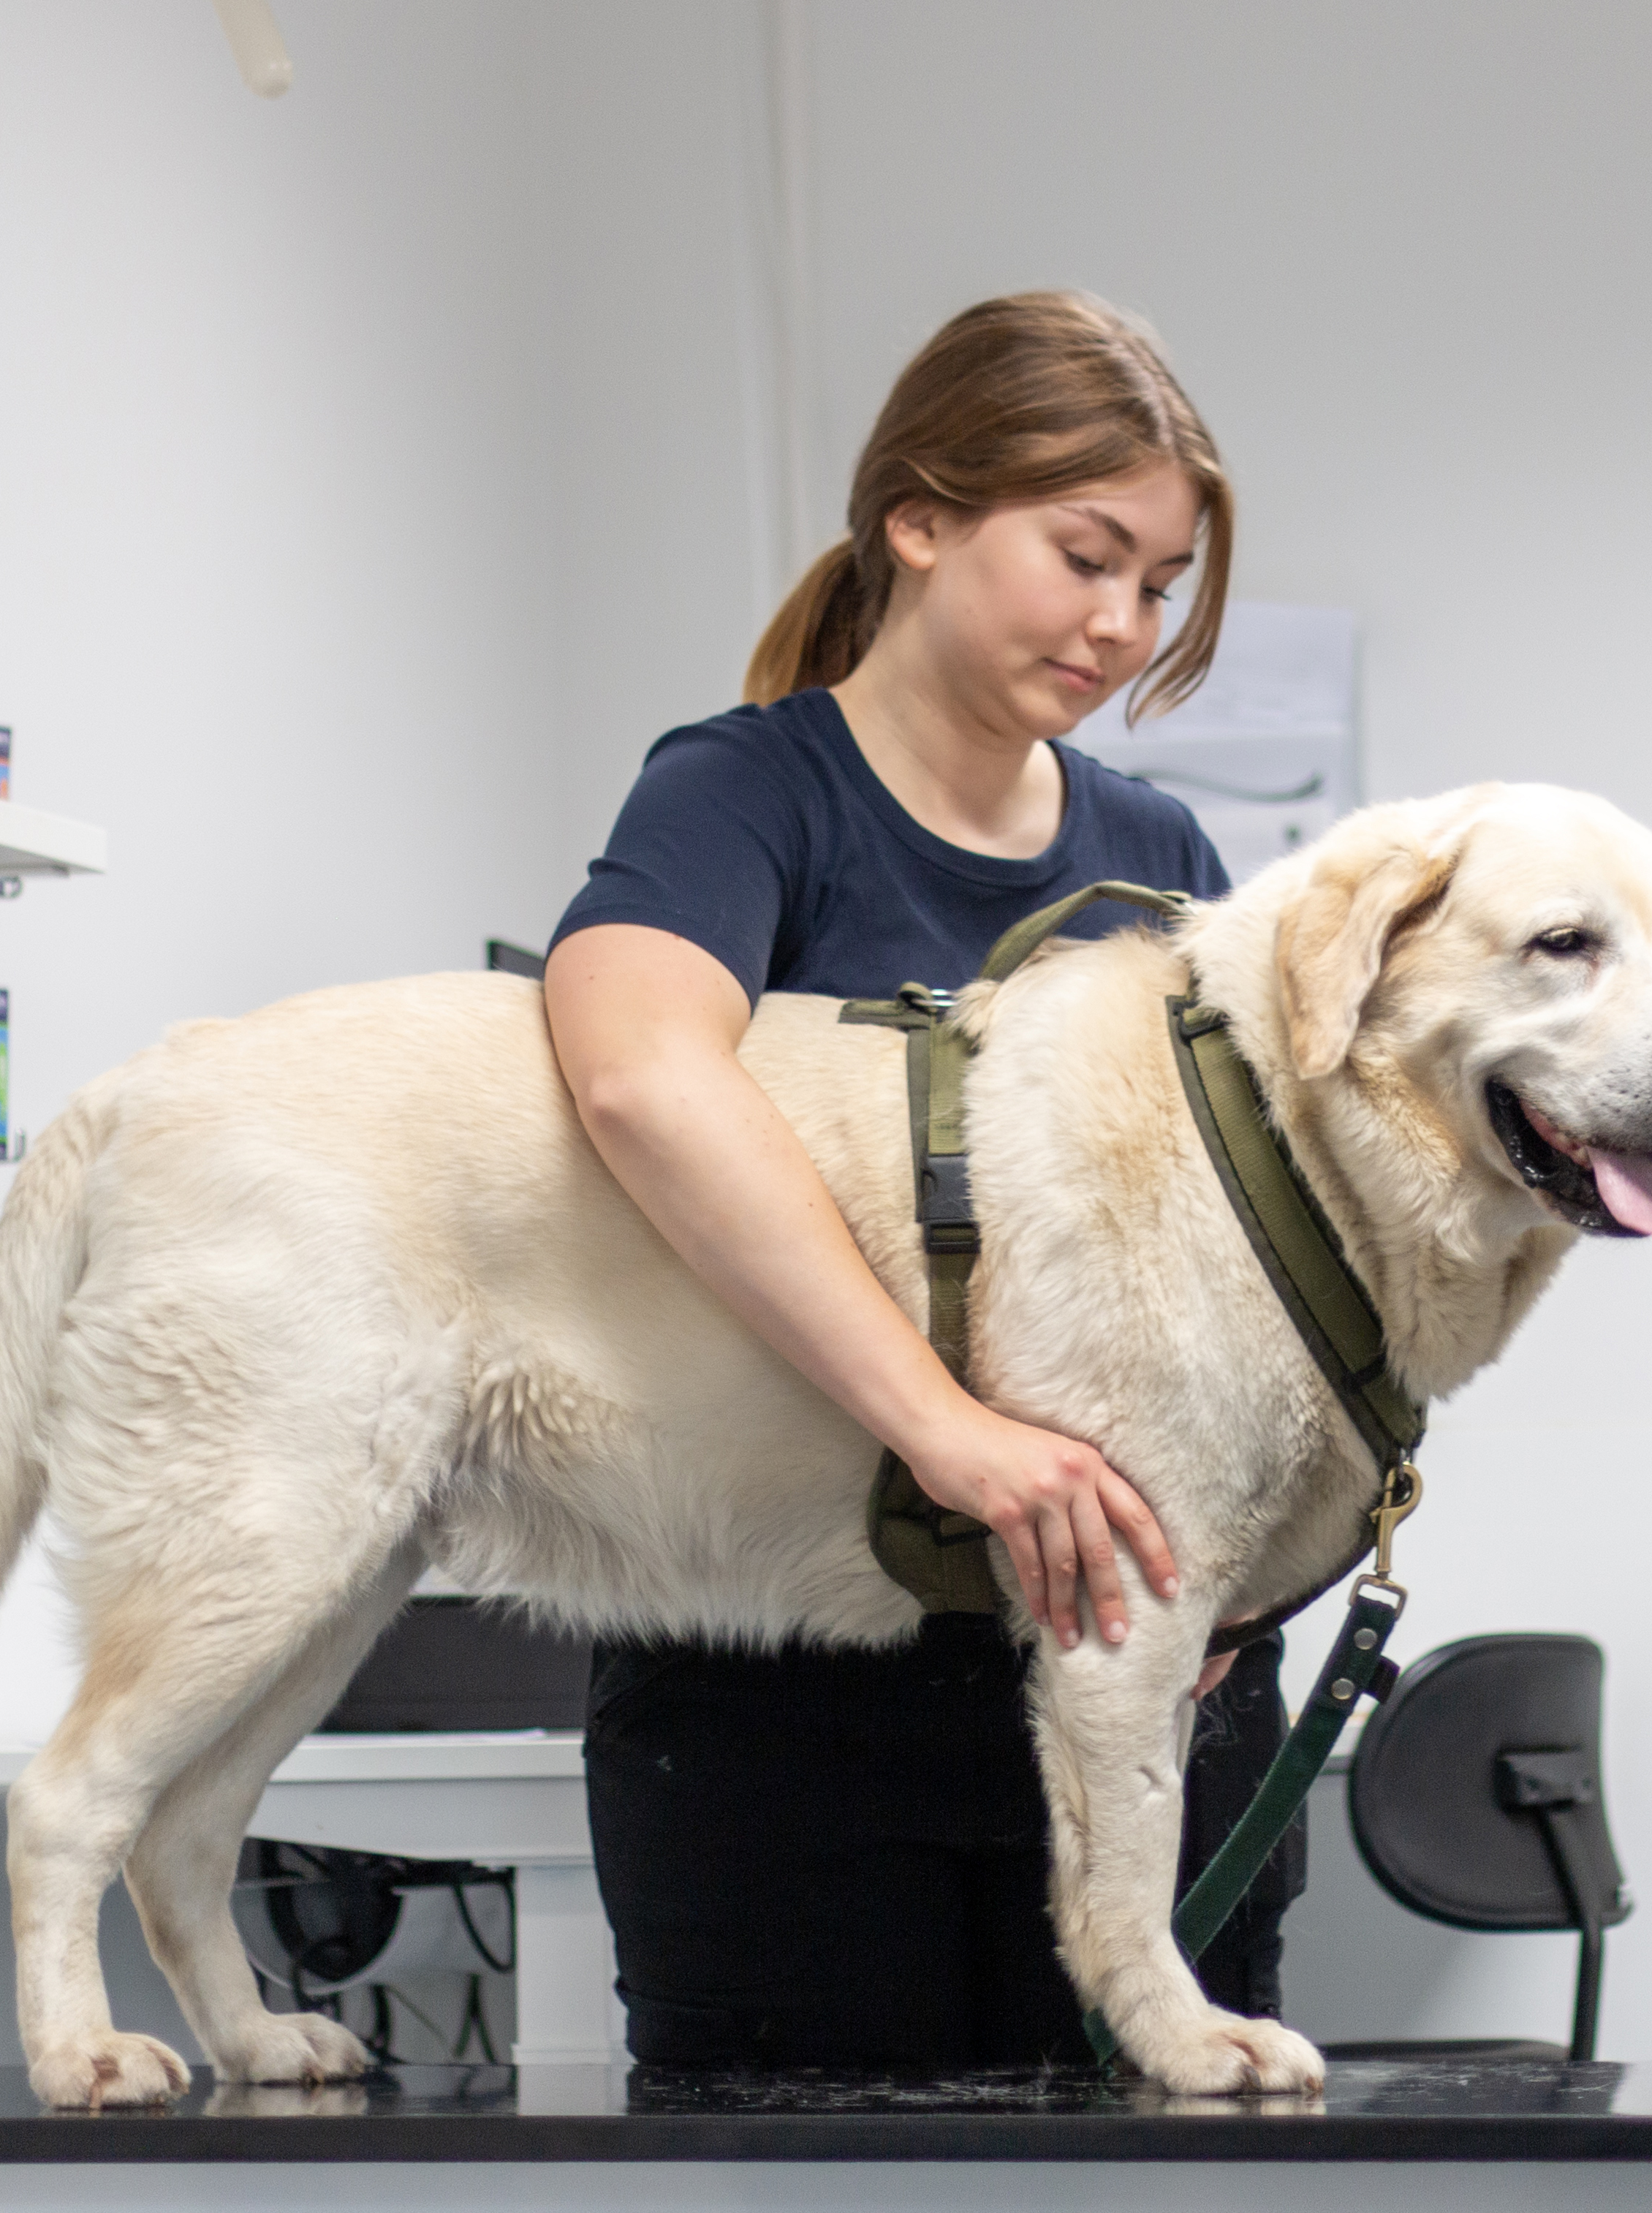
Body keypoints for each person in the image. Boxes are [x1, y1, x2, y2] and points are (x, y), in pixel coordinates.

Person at [542, 291, 1295, 2068]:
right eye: (1086, 556)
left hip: (1129, 1691)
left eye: (1160, 585)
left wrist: (1244, 1591)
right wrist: (952, 1430)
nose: (1121, 625)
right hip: (789, 1711)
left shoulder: (1158, 859)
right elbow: (640, 1072)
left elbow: (1256, 1264)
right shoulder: (748, 796)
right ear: (922, 516)